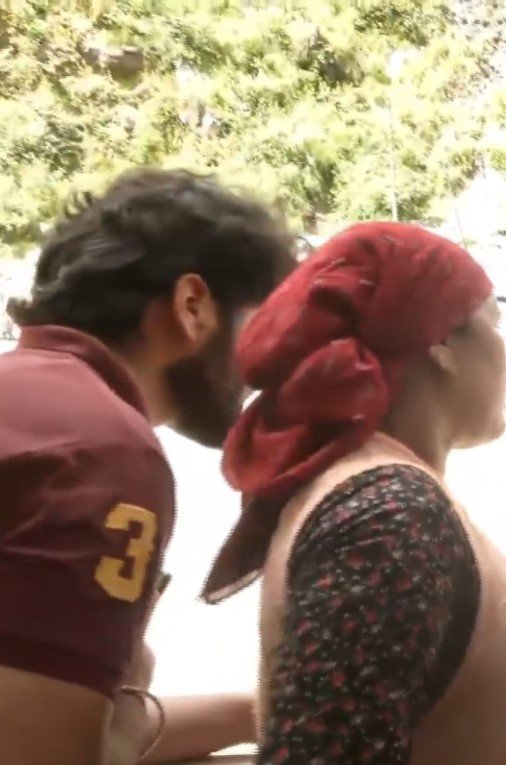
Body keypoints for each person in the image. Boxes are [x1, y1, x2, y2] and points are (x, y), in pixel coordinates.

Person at [201, 221, 506, 764]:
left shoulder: (378, 492)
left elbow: (402, 683)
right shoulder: (391, 514)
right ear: (441, 344)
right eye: (494, 322)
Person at [0, 168, 296, 764]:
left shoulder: (31, 401)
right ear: (192, 305)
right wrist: (130, 694)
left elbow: (39, 712)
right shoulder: (104, 452)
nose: (272, 365)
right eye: (265, 326)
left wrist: (253, 713)